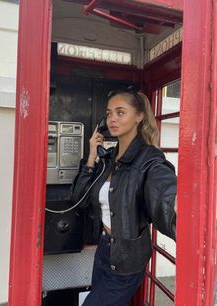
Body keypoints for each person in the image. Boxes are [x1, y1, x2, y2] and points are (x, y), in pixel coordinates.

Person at [71, 87, 177, 306]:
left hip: (128, 259)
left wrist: (177, 206)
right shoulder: (109, 159)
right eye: (109, 114)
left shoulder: (149, 159)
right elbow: (78, 198)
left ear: (139, 116)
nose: (112, 119)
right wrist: (92, 156)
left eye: (120, 112)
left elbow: (164, 190)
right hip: (104, 251)